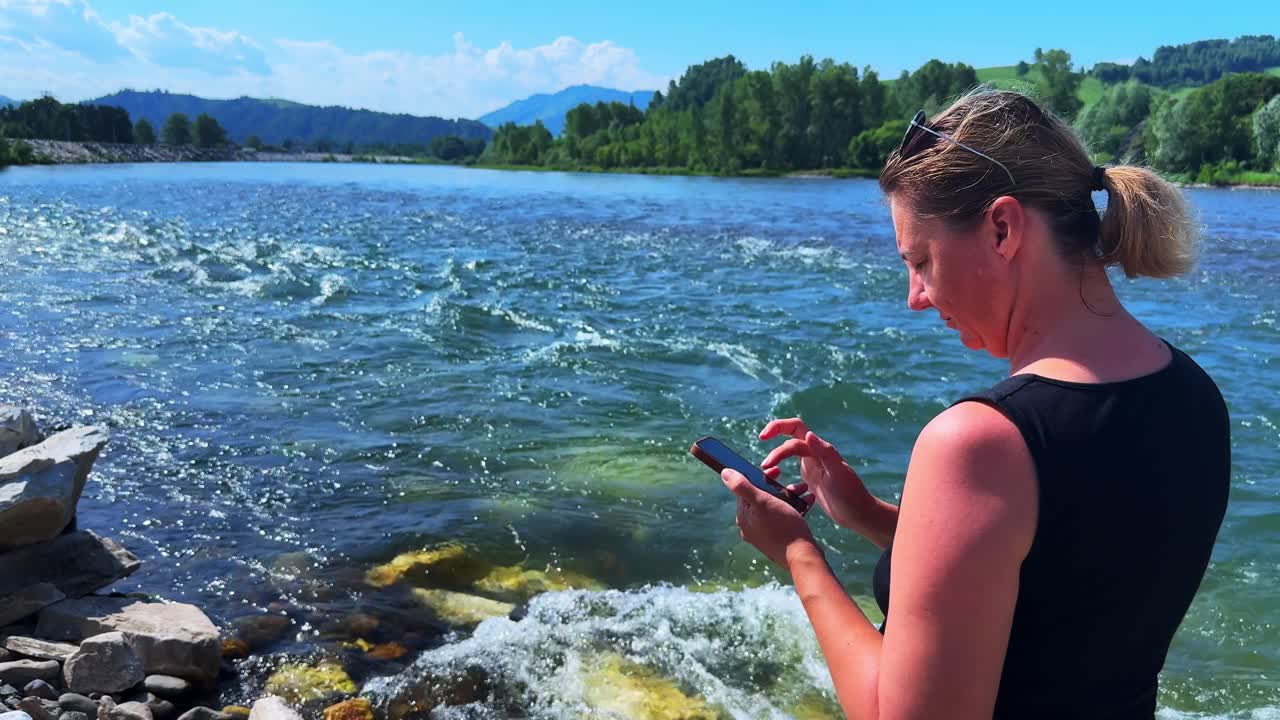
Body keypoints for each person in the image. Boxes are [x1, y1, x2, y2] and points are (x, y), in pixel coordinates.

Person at [722, 90, 1230, 720]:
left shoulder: (980, 443)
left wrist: (797, 551)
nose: (915, 296)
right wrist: (871, 517)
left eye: (921, 261)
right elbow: (1063, 582)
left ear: (1002, 229)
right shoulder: (1195, 394)